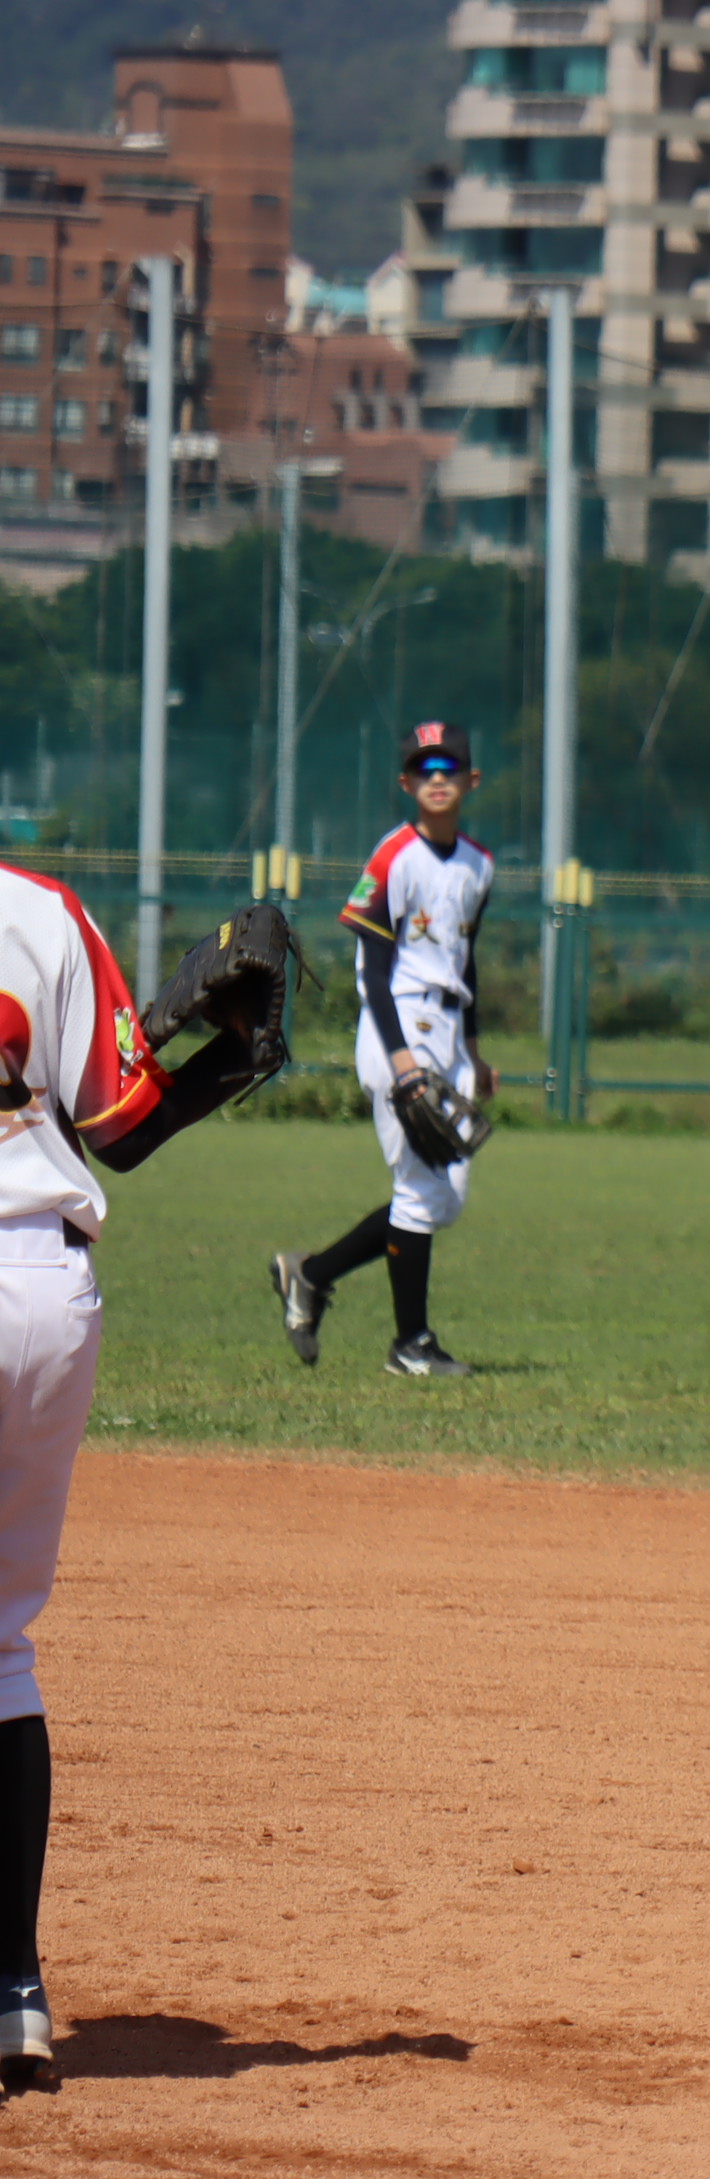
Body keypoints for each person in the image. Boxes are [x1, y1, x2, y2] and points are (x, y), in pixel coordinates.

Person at [0, 866, 276, 2088]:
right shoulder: (42, 909)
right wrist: (227, 1054)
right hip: (44, 1293)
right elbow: (118, 1127)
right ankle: (12, 1990)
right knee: (0, 1647)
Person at [270, 721, 497, 1377]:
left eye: (448, 767)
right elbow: (371, 969)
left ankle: (310, 1275)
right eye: (424, 768)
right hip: (400, 1024)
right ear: (405, 782)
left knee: (442, 1200)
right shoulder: (394, 855)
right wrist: (402, 1061)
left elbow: (466, 960)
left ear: (471, 780)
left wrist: (474, 1052)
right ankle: (411, 1345)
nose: (436, 778)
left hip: (449, 1031)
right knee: (420, 1192)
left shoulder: (480, 865)